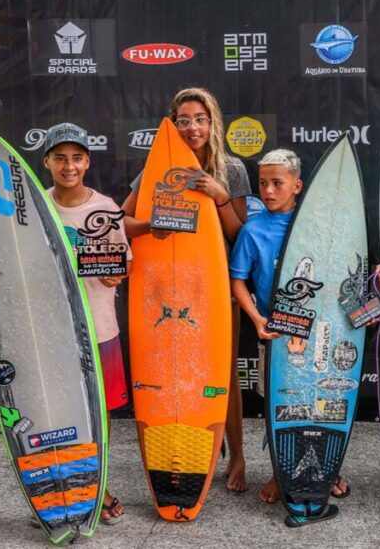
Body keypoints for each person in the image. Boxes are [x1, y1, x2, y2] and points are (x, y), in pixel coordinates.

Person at [228, 148, 380, 505]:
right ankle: (279, 471)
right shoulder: (253, 230)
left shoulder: (320, 225)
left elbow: (346, 275)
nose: (268, 190)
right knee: (281, 403)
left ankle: (322, 469)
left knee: (321, 400)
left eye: (277, 183)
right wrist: (257, 319)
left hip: (323, 333)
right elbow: (237, 281)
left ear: (297, 185)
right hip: (277, 335)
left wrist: (375, 288)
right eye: (263, 183)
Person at [120, 87, 253, 492]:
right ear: (173, 124)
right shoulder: (156, 171)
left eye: (200, 118)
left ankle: (237, 457)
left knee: (222, 374)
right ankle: (180, 448)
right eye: (184, 120)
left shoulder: (232, 169)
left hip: (214, 287)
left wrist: (221, 197)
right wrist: (148, 228)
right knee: (168, 373)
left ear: (213, 121)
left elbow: (242, 236)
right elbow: (121, 222)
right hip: (163, 290)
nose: (192, 127)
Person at [41, 122, 131, 524]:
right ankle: (64, 488)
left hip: (99, 328)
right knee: (58, 416)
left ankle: (99, 485)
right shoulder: (33, 207)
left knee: (100, 416)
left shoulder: (107, 207)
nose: (69, 165)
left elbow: (122, 260)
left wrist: (118, 274)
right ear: (46, 162)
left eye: (76, 157)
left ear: (88, 162)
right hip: (51, 334)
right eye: (60, 157)